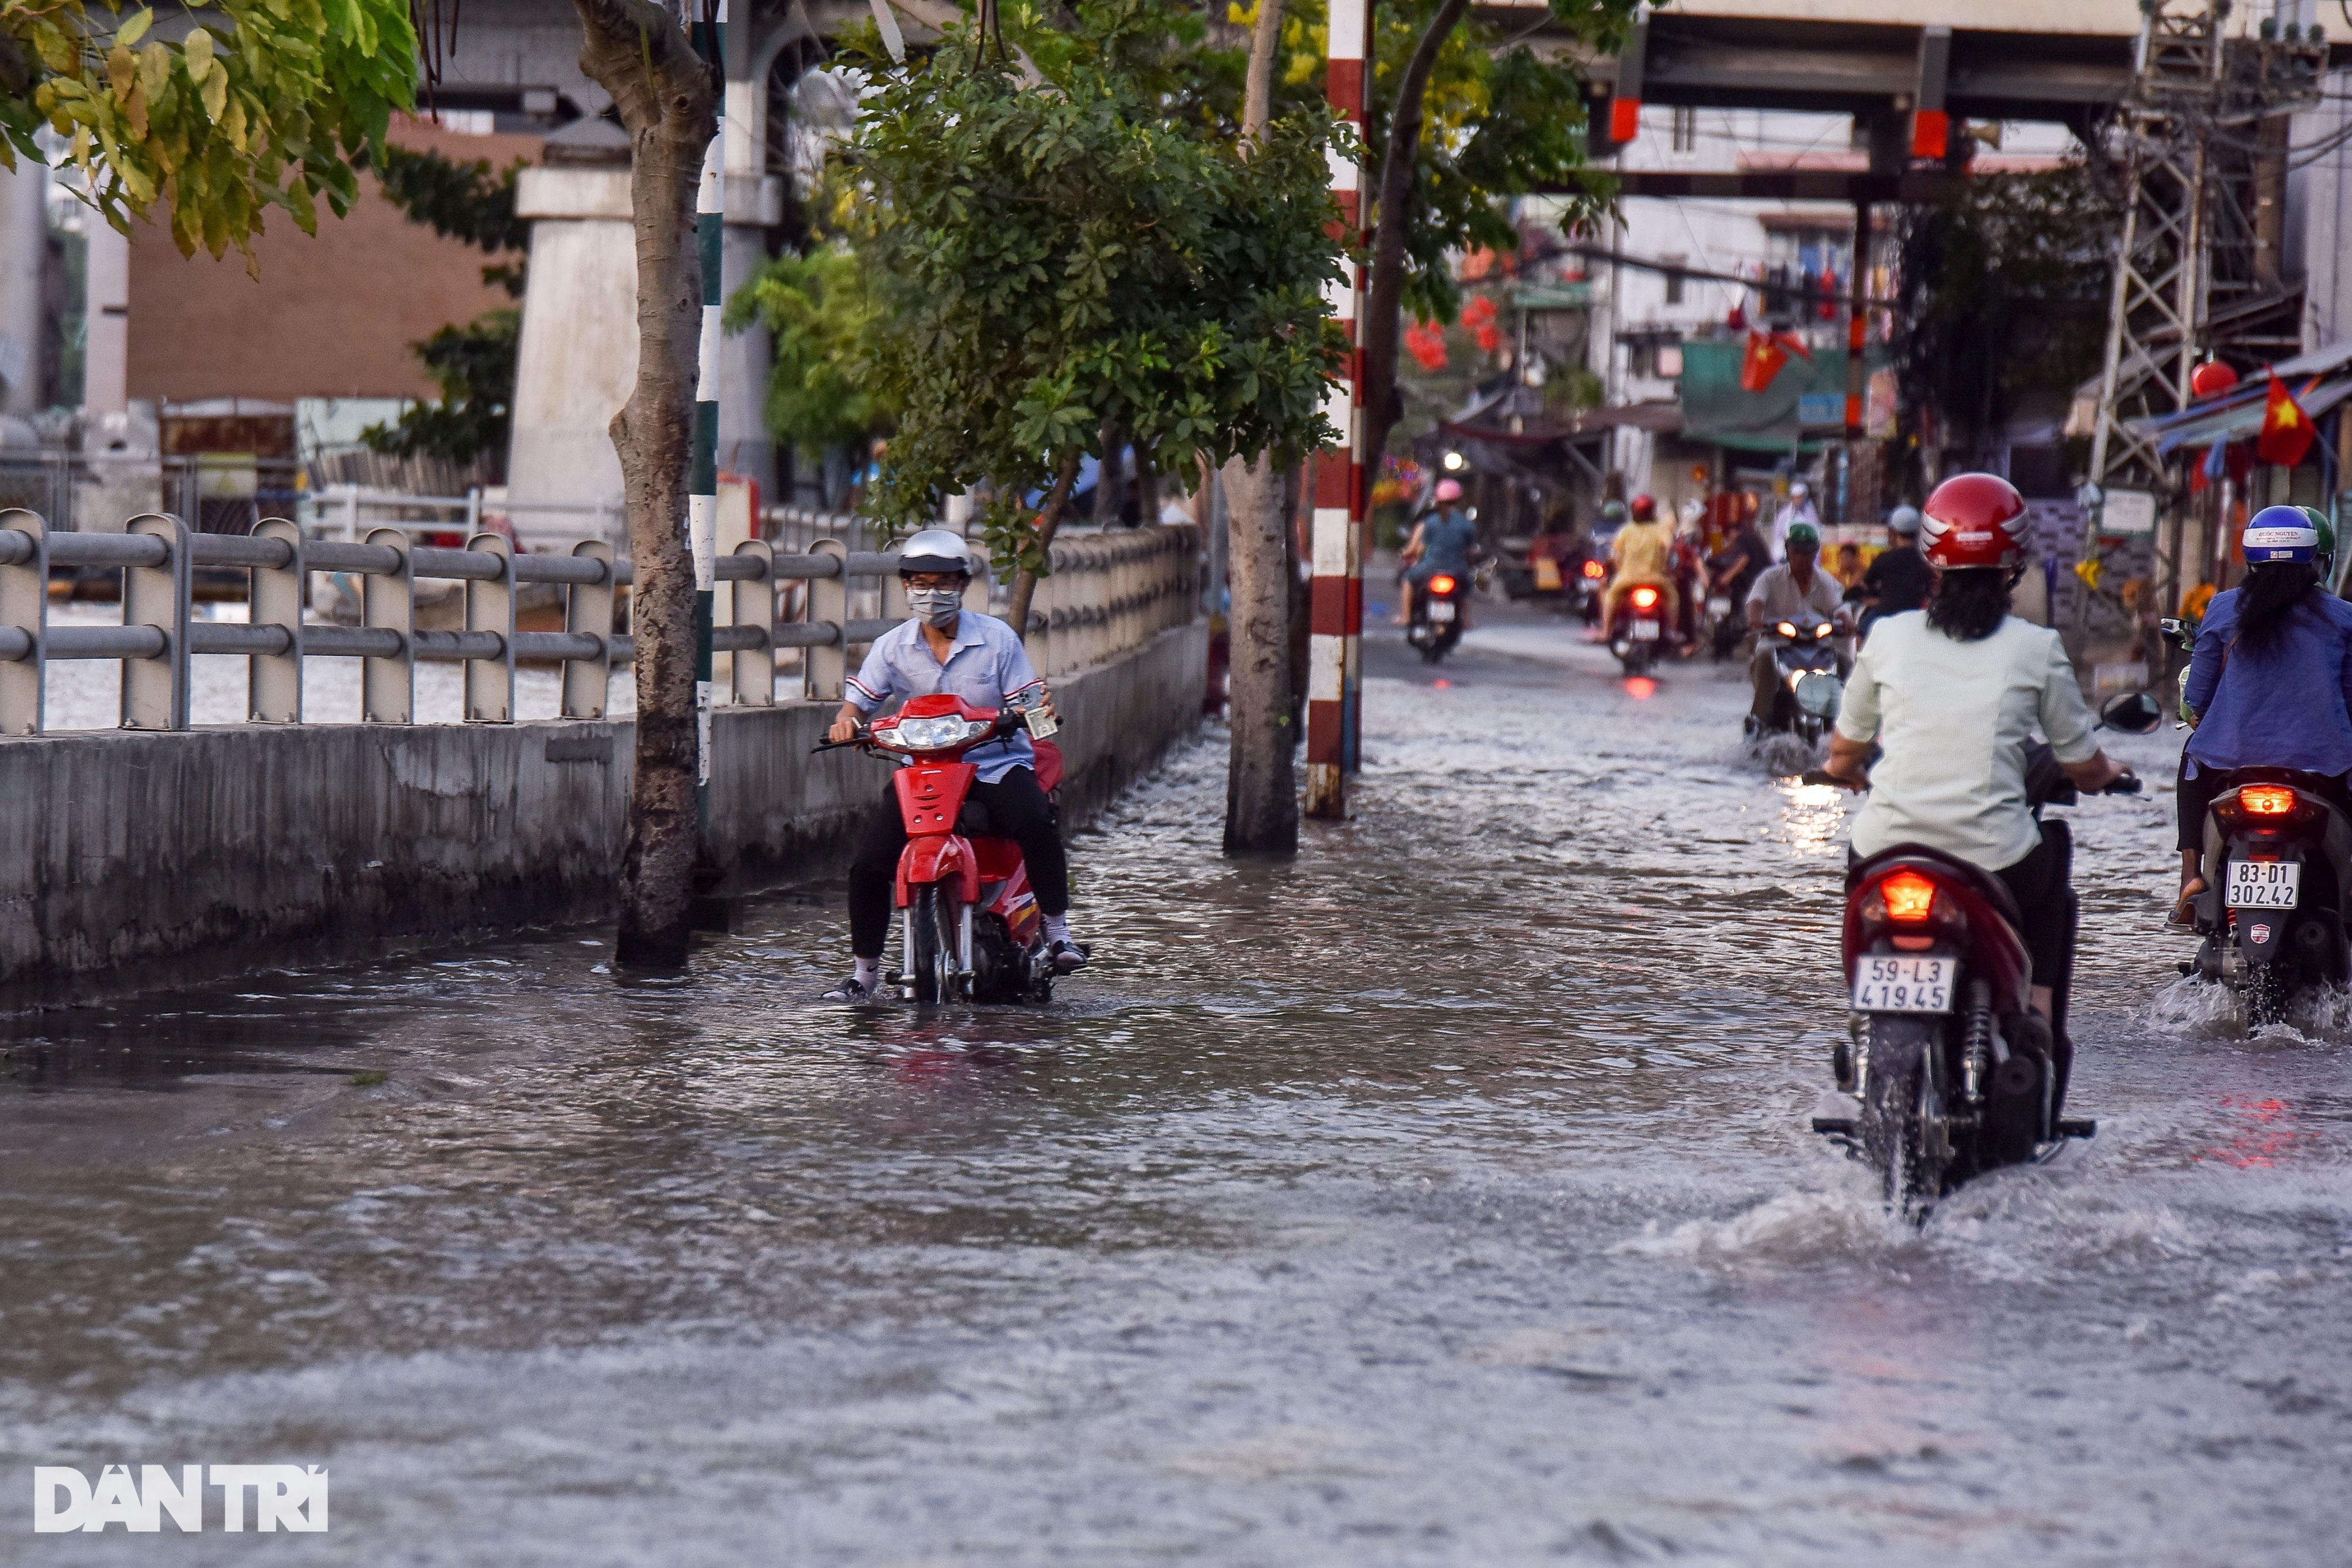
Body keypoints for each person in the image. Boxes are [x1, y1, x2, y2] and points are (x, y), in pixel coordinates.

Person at [1820, 472, 2132, 1079]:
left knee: (1855, 876)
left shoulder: (1885, 635)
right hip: (1997, 860)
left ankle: (1863, 1006)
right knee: (2054, 876)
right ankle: (2037, 1016)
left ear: (1932, 559)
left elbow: (1845, 748)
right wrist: (2110, 770)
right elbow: (2080, 763)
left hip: (1887, 848)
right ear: (2014, 563)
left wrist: (1840, 770)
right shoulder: (2036, 647)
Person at [822, 530, 1086, 1001]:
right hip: (922, 774)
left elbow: (1031, 703)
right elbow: (856, 706)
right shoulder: (891, 647)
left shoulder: (997, 639)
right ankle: (863, 975)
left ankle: (1058, 932)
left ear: (963, 585)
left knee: (1035, 823)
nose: (931, 594)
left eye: (943, 583)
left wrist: (1040, 714)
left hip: (993, 765)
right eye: (920, 584)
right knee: (867, 865)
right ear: (905, 587)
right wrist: (847, 724)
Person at [2171, 504, 2352, 922]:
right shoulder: (2343, 618)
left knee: (2191, 758)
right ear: (2314, 560)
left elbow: (2196, 700)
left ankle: (2189, 879)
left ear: (2250, 558)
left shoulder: (2221, 608)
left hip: (2230, 761)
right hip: (2323, 765)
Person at [1743, 520, 1847, 733]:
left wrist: (1848, 622)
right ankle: (1758, 721)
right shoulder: (1770, 578)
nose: (1801, 558)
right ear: (1788, 550)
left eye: (1807, 553)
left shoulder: (1825, 581)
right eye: (1797, 552)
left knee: (1845, 663)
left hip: (1817, 647)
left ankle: (1847, 725)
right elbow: (1756, 602)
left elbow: (1840, 608)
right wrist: (1755, 620)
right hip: (1777, 644)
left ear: (1815, 552)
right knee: (1764, 661)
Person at [1397, 478, 1479, 627]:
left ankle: (1406, 616)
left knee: (1408, 580)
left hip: (1431, 566)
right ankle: (1467, 620)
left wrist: (1408, 554)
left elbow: (1420, 548)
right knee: (1467, 587)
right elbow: (1471, 552)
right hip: (1457, 568)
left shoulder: (1431, 522)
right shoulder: (1467, 524)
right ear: (1459, 499)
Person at [1602, 493, 1678, 638]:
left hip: (1627, 578)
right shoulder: (1660, 529)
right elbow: (1669, 548)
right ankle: (1672, 632)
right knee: (1673, 597)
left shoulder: (1626, 530)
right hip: (1655, 578)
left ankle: (1606, 632)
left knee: (1610, 597)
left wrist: (1619, 569)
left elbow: (1615, 554)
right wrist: (1665, 566)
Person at [1854, 503, 1931, 643]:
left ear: (1894, 533)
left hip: (1885, 614)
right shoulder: (1925, 561)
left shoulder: (1884, 559)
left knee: (1859, 635)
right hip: (1917, 616)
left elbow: (1864, 586)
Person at [1707, 504, 1774, 659]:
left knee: (1748, 609)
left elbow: (1744, 560)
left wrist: (1727, 577)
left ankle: (1755, 643)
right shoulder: (1750, 538)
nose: (1729, 540)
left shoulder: (1744, 538)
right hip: (1758, 580)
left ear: (1734, 533)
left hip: (1758, 581)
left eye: (1729, 536)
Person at [1771, 478, 1819, 560]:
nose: (1797, 500)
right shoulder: (1783, 515)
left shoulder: (1811, 515)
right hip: (1785, 556)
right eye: (1795, 498)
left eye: (1800, 497)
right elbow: (1777, 537)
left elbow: (1816, 536)